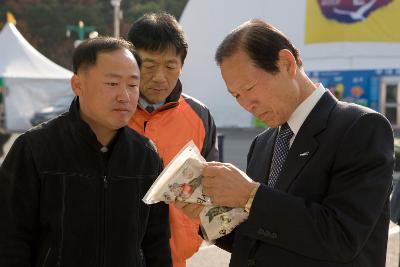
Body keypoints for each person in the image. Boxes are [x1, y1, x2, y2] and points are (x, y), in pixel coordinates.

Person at [176, 19, 394, 267]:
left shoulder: (360, 127)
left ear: (286, 63)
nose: (247, 104)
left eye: (249, 88)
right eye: (236, 95)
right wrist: (207, 214)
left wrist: (250, 195)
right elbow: (256, 241)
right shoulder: (263, 143)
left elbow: (342, 237)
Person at [0, 37, 172, 267]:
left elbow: (156, 244)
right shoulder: (34, 149)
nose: (125, 95)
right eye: (112, 84)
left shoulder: (146, 156)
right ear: (77, 85)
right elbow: (10, 240)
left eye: (132, 84)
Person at [127, 12, 219, 267]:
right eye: (149, 65)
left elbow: (209, 186)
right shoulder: (109, 111)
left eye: (170, 66)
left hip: (175, 255)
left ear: (182, 66)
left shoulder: (199, 115)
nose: (160, 77)